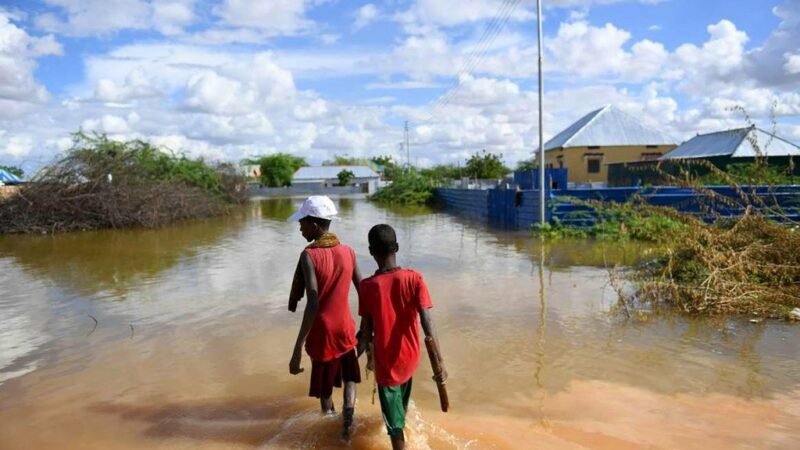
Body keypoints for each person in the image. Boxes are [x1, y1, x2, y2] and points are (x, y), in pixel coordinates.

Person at [357, 224, 448, 450]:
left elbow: (366, 330)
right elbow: (427, 322)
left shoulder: (367, 287)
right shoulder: (414, 278)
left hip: (387, 365)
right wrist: (440, 363)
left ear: (371, 252)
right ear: (396, 247)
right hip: (410, 358)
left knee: (394, 427)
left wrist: (364, 357)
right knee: (400, 410)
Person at [286, 195, 362, 438]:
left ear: (315, 225)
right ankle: (349, 416)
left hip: (323, 332)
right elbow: (364, 290)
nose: (299, 228)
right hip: (346, 328)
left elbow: (313, 302)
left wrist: (297, 347)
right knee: (350, 376)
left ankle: (331, 429)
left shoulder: (309, 256)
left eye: (302, 223)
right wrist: (368, 328)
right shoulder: (349, 252)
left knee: (325, 389)